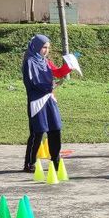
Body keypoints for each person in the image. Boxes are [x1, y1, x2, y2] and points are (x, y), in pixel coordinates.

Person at [22, 35, 71, 172]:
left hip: (49, 98)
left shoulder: (45, 61)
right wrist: (50, 86)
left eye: (48, 47)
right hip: (37, 101)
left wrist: (69, 67)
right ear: (36, 46)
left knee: (55, 129)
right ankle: (29, 163)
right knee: (38, 132)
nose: (46, 50)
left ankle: (56, 160)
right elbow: (34, 82)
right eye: (44, 47)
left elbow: (57, 72)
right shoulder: (29, 61)